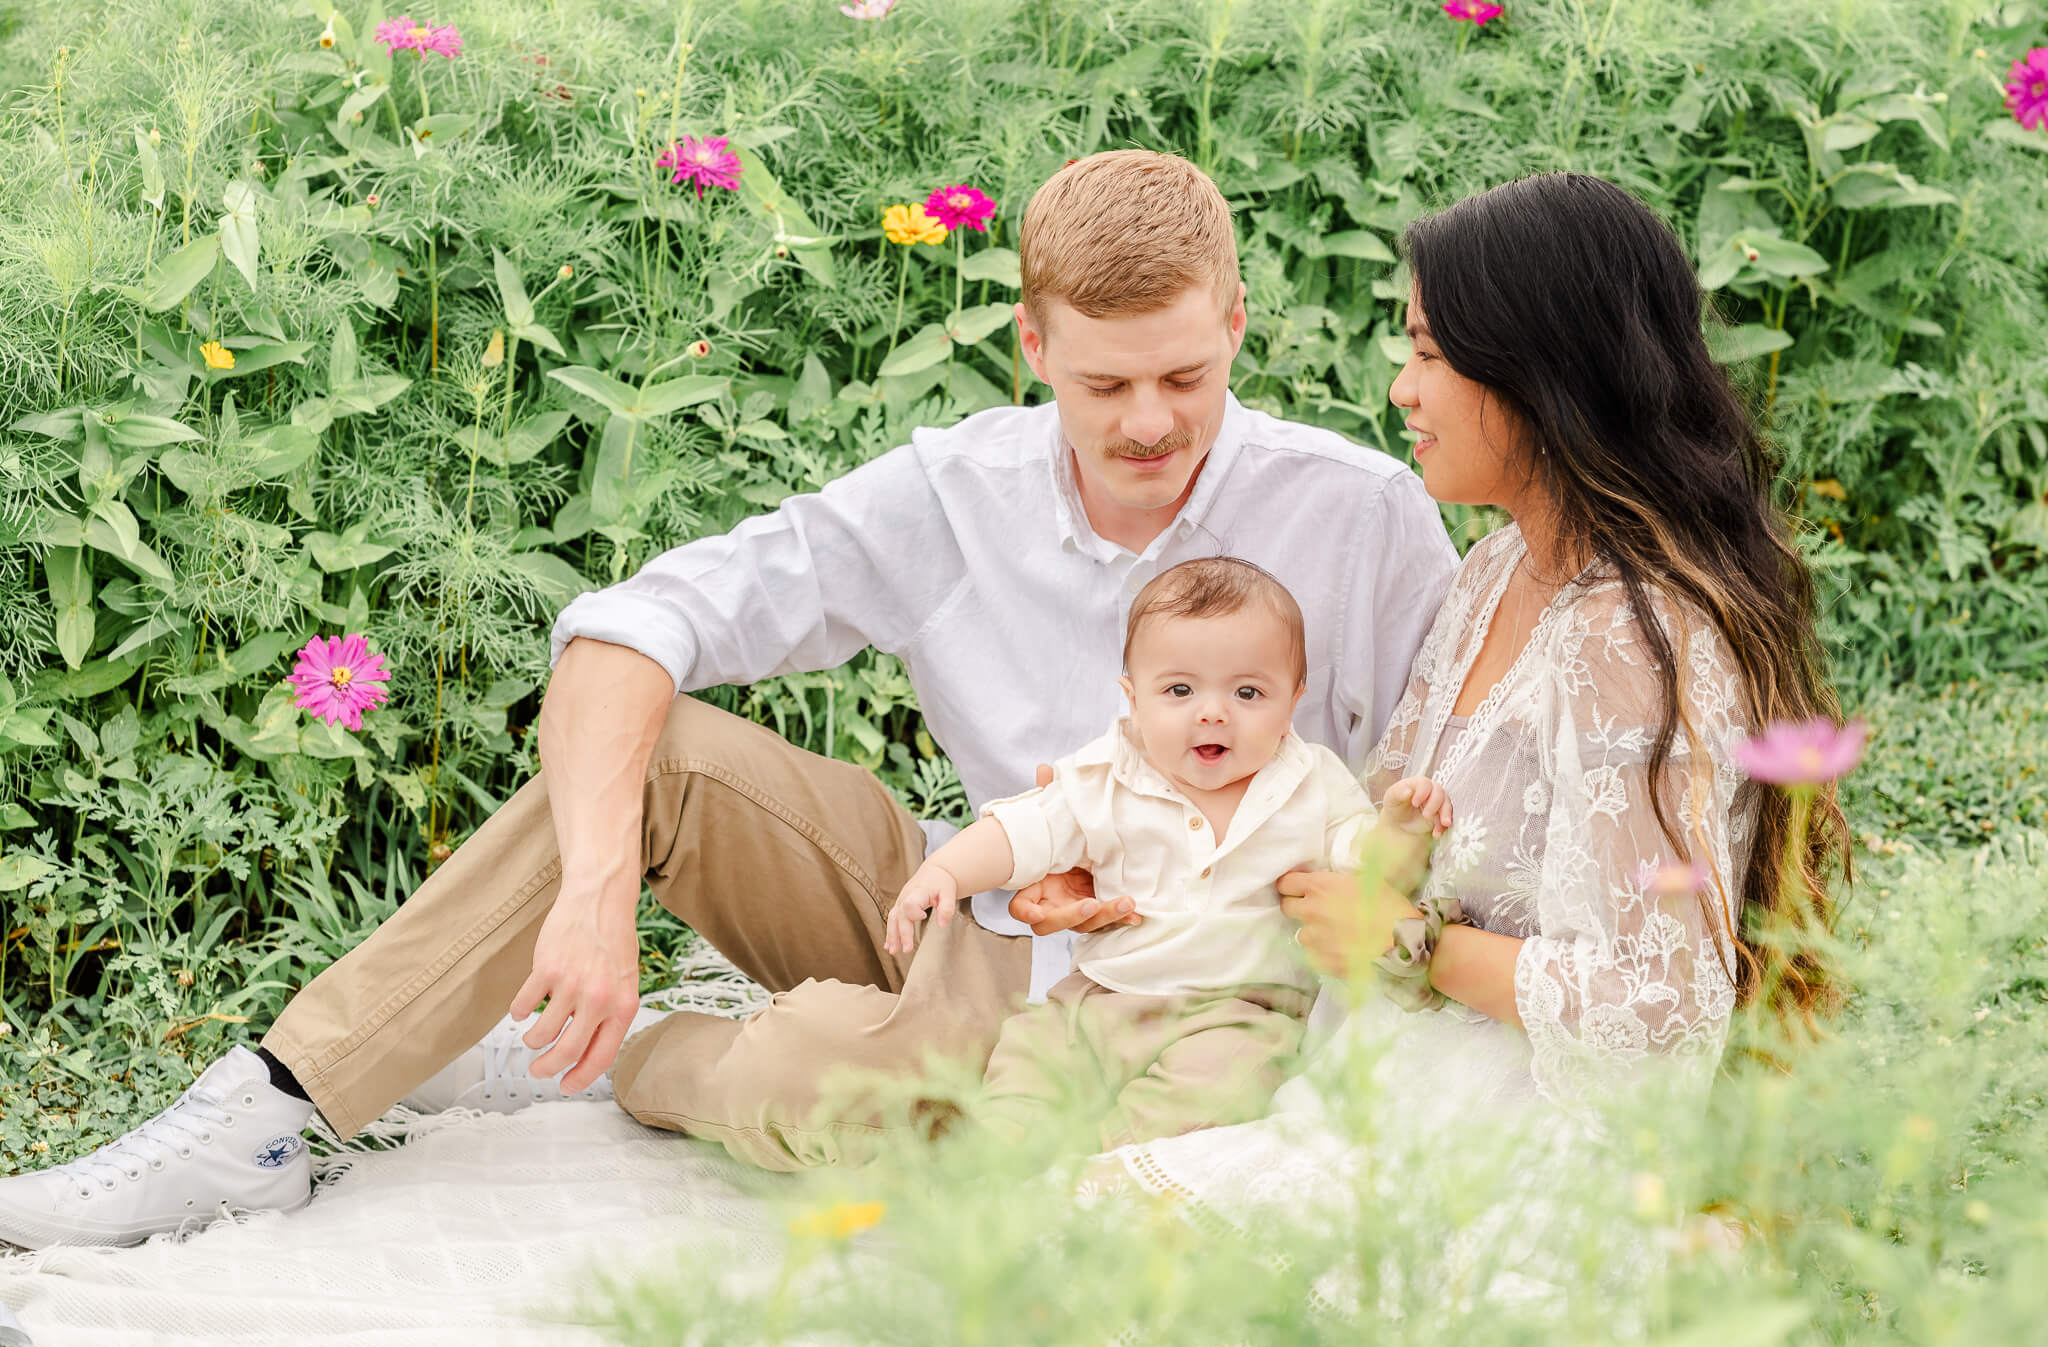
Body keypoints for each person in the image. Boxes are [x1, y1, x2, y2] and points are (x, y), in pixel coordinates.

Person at [0, 149, 1457, 1249]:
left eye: (1185, 377)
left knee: (864, 1110)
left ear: (1241, 323)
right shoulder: (954, 492)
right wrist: (590, 889)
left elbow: (1427, 804)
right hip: (964, 914)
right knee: (661, 744)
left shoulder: (1360, 514)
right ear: (1033, 347)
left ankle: (604, 1055)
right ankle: (273, 1107)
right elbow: (633, 627)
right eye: (1104, 385)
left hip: (1207, 996)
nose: (1148, 423)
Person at [1068, 172, 1854, 1231]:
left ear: (1538, 375)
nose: (1401, 388)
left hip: (1524, 1155)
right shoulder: (1495, 569)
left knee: (1090, 1248)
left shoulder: (1629, 635)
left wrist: (1406, 945)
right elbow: (1381, 832)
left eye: (1429, 353)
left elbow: (1658, 1008)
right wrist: (1109, 835)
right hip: (1384, 1081)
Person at [881, 557, 1451, 1155]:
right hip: (1098, 999)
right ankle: (998, 1162)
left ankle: (1101, 1173)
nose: (1212, 711)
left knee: (1219, 1092)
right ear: (1132, 699)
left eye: (1248, 692)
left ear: (1294, 701)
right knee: (1030, 1068)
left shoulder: (1310, 783)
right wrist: (945, 870)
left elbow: (1368, 868)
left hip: (1239, 1013)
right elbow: (1022, 831)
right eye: (1179, 690)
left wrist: (1402, 829)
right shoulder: (1108, 774)